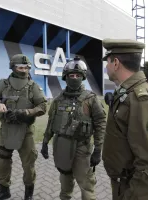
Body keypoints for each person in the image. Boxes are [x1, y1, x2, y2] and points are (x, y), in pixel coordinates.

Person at [102, 39, 148, 200]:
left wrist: (131, 195)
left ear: (116, 63)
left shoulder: (142, 100)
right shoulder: (127, 93)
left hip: (135, 190)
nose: (106, 67)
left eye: (108, 62)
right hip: (124, 185)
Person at [41, 56, 106, 200]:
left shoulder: (91, 99)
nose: (75, 78)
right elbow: (51, 122)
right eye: (72, 75)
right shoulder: (58, 99)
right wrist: (45, 142)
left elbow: (101, 123)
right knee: (65, 183)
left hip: (82, 148)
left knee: (87, 185)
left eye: (78, 75)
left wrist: (98, 149)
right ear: (66, 77)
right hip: (61, 146)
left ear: (83, 77)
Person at [0, 54, 47, 200]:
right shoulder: (3, 84)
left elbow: (43, 106)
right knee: (2, 162)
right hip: (6, 131)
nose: (24, 70)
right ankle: (4, 190)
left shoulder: (33, 87)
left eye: (26, 68)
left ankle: (28, 195)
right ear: (13, 67)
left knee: (28, 165)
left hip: (26, 132)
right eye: (20, 67)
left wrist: (26, 112)